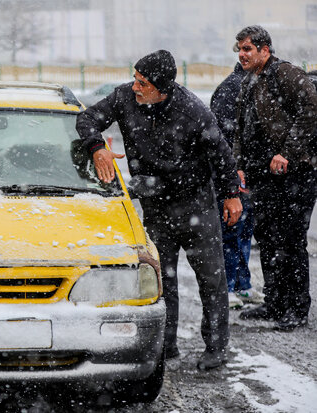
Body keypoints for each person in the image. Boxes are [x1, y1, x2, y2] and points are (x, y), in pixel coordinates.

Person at [76, 50, 242, 370]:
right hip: (156, 206)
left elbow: (221, 154)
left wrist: (231, 195)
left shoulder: (193, 112)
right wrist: (97, 148)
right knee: (162, 279)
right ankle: (166, 344)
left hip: (196, 203)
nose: (135, 86)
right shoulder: (125, 97)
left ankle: (217, 346)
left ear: (162, 88)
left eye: (143, 83)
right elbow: (86, 118)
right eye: (135, 78)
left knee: (211, 279)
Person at [233, 25, 317, 331]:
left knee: (291, 241)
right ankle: (275, 302)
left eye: (246, 49)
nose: (241, 54)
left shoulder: (287, 74)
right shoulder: (249, 81)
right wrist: (240, 164)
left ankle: (296, 308)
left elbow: (311, 111)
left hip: (295, 175)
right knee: (267, 239)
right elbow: (242, 127)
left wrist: (289, 152)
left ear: (264, 49)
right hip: (263, 176)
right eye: (239, 49)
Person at [210, 63, 263, 309]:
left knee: (243, 229)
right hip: (235, 172)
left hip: (246, 170)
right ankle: (230, 286)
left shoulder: (248, 86)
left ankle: (242, 285)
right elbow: (223, 137)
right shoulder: (233, 89)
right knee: (233, 228)